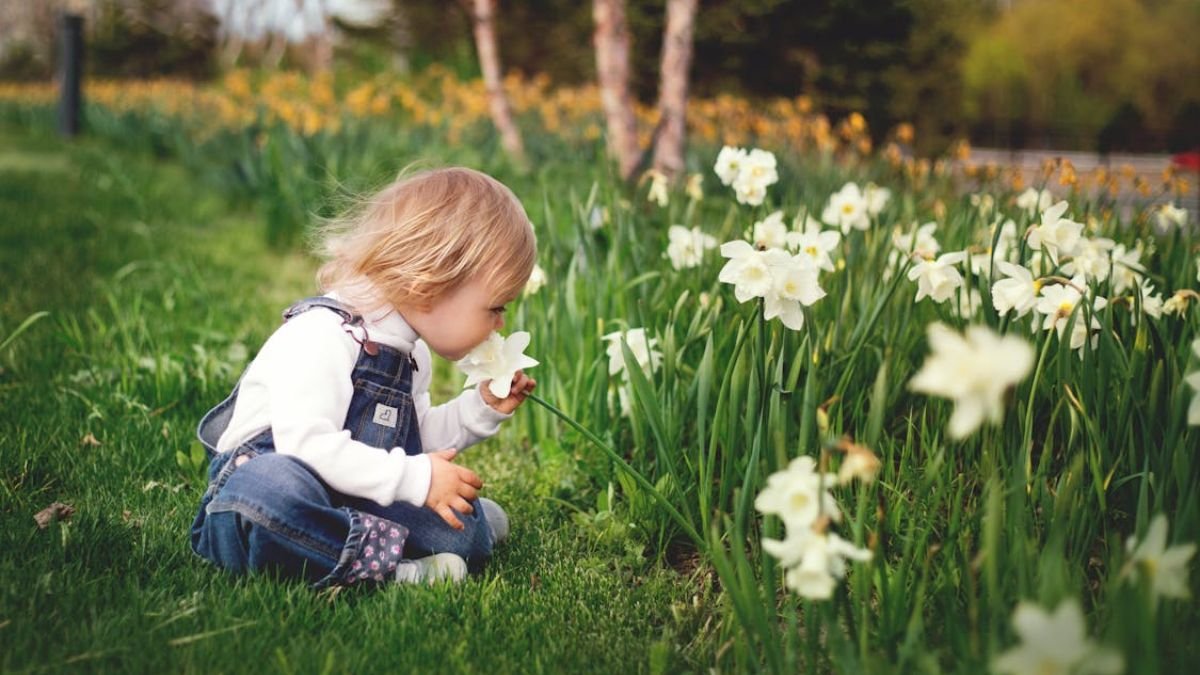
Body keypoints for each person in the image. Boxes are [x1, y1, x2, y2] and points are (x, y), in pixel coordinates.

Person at [189, 167, 537, 588]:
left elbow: (414, 439)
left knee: (462, 530)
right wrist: (416, 479)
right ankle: (393, 572)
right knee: (269, 494)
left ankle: (447, 531)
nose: (499, 324)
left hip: (349, 490)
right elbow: (307, 447)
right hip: (270, 490)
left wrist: (480, 409)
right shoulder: (324, 335)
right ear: (430, 286)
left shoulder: (411, 354)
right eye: (495, 307)